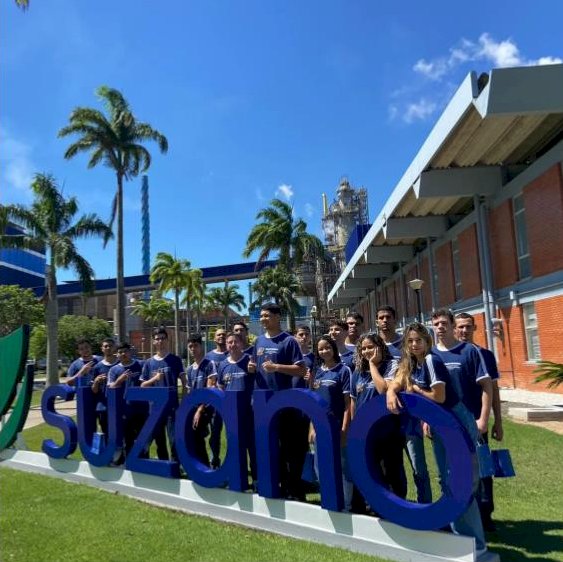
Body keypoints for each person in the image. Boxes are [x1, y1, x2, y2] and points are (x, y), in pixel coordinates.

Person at [386, 322, 487, 555]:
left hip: (457, 421)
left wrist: (417, 391)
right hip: (441, 424)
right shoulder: (412, 363)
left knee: (463, 482)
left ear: (427, 341)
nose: (414, 344)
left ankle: (475, 544)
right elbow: (397, 381)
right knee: (446, 479)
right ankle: (458, 536)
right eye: (410, 341)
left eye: (418, 340)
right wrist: (392, 391)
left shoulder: (431, 360)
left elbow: (439, 397)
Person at [248, 303, 306, 499]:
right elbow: (255, 365)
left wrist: (277, 367)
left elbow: (301, 370)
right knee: (271, 448)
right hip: (264, 405)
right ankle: (277, 486)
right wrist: (251, 368)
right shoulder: (258, 341)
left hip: (284, 404)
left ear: (277, 317)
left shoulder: (288, 341)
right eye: (261, 316)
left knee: (290, 449)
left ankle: (294, 490)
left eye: (266, 316)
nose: (263, 319)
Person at [455, 312, 503, 531]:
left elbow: (493, 390)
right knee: (456, 468)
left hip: (477, 423)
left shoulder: (485, 355)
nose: (464, 331)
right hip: (453, 423)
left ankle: (486, 514)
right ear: (455, 329)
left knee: (483, 468)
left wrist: (497, 422)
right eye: (460, 327)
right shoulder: (448, 356)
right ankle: (462, 513)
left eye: (468, 327)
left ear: (475, 328)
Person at [376, 304, 429, 501]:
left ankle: (426, 507)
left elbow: (409, 371)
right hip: (384, 416)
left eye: (388, 317)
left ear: (395, 320)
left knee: (418, 466)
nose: (384, 320)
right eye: (381, 317)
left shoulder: (405, 344)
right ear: (376, 321)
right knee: (390, 464)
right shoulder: (375, 345)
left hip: (409, 413)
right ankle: (396, 502)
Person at [351, 332, 406, 510]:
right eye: (364, 348)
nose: (367, 351)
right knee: (370, 469)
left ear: (380, 347)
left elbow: (383, 389)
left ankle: (397, 506)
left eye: (371, 347)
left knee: (390, 470)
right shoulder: (358, 372)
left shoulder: (392, 365)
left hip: (387, 429)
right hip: (365, 432)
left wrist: (373, 365)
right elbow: (353, 401)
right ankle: (376, 506)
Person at [309, 335, 352, 511]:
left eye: (328, 347)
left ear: (333, 348)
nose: (325, 351)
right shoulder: (317, 372)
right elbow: (312, 403)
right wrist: (311, 427)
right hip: (320, 428)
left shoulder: (343, 370)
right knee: (320, 466)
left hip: (337, 427)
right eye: (321, 348)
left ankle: (346, 505)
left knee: (341, 467)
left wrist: (344, 429)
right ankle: (329, 500)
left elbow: (348, 404)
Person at [141, 328, 188, 461]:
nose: (160, 341)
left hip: (172, 408)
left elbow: (185, 383)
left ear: (167, 340)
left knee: (174, 439)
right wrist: (154, 379)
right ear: (153, 341)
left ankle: (175, 466)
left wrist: (183, 402)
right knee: (159, 440)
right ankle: (163, 467)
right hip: (154, 409)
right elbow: (143, 385)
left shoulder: (175, 360)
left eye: (162, 338)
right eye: (157, 338)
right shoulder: (148, 363)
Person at [217, 332, 256, 483]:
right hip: (232, 415)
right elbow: (220, 387)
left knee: (252, 446)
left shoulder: (249, 361)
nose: (232, 345)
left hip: (250, 413)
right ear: (226, 345)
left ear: (241, 343)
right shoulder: (222, 365)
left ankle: (257, 479)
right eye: (229, 342)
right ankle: (239, 478)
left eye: (235, 342)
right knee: (235, 446)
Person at [108, 342, 145, 461]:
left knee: (142, 437)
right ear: (117, 354)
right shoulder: (114, 370)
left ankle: (144, 460)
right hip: (124, 409)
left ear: (130, 352)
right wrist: (120, 380)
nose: (123, 354)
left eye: (125, 351)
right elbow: (110, 387)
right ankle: (129, 461)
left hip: (142, 408)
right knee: (127, 437)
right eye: (120, 352)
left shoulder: (140, 365)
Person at [186, 333, 217, 467]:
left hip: (205, 409)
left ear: (201, 346)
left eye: (196, 346)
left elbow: (209, 388)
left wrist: (200, 409)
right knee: (192, 438)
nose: (193, 349)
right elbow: (189, 391)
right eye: (190, 346)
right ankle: (199, 466)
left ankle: (206, 466)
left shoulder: (209, 364)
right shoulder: (189, 369)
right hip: (193, 409)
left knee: (199, 437)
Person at [205, 328, 229, 469]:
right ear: (214, 339)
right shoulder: (208, 357)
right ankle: (214, 461)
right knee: (215, 434)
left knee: (233, 433)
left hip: (231, 401)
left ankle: (234, 462)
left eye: (223, 334)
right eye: (218, 334)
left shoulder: (232, 353)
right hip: (215, 403)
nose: (221, 336)